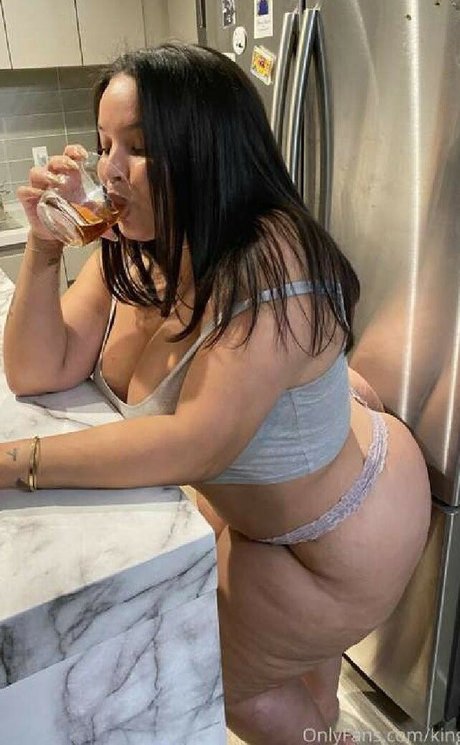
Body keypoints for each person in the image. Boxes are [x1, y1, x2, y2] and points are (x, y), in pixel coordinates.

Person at [1, 44, 430, 745]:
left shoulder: (270, 255)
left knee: (230, 691)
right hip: (268, 503)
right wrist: (44, 249)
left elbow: (196, 440)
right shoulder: (137, 242)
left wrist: (15, 462)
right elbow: (35, 369)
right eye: (106, 144)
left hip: (345, 530)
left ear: (209, 147)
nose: (109, 169)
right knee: (306, 698)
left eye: (139, 147)